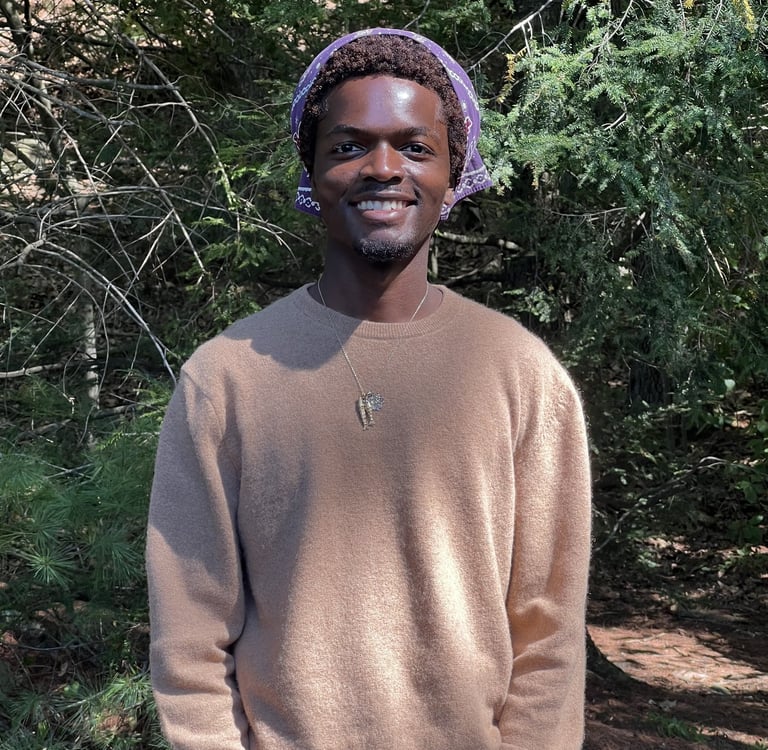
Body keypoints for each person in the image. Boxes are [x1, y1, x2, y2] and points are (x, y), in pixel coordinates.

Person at [146, 27, 591, 750]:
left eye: (416, 148)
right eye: (349, 146)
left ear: (454, 175)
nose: (384, 168)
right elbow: (191, 637)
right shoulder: (223, 380)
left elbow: (547, 631)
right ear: (312, 172)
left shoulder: (522, 374)